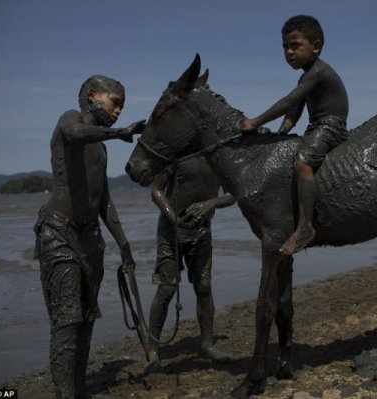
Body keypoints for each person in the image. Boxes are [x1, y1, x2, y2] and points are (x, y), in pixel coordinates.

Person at [33, 75, 145, 399]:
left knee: (85, 321)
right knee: (67, 322)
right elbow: (76, 133)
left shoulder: (100, 149)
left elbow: (104, 201)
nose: (119, 111)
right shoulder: (70, 120)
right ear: (93, 96)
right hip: (58, 233)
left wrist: (124, 244)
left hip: (90, 240)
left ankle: (77, 390)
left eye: (122, 106)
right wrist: (119, 133)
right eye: (115, 103)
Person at [240, 15, 349, 255]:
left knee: (302, 163)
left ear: (316, 46)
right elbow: (294, 110)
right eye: (285, 47)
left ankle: (306, 226)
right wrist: (280, 133)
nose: (289, 52)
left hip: (330, 126)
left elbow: (288, 101)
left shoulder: (318, 72)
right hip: (317, 126)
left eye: (295, 45)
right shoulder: (306, 76)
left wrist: (255, 121)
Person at [146, 155, 236, 371]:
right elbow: (156, 191)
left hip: (202, 230)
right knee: (167, 288)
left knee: (204, 287)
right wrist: (173, 217)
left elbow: (233, 195)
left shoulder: (218, 158)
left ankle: (207, 344)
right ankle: (152, 349)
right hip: (171, 230)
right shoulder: (176, 153)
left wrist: (210, 204)